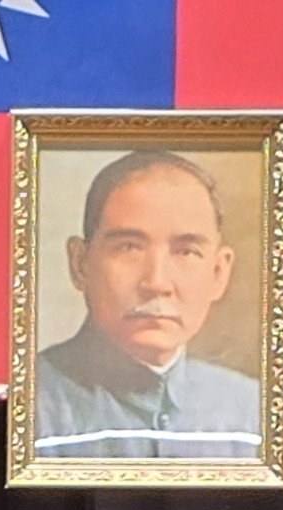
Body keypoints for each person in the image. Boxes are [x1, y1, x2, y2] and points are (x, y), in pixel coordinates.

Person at [32, 151, 262, 461]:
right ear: (80, 263)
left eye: (186, 252)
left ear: (219, 273)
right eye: (129, 248)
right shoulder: (29, 402)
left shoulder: (251, 410)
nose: (156, 283)